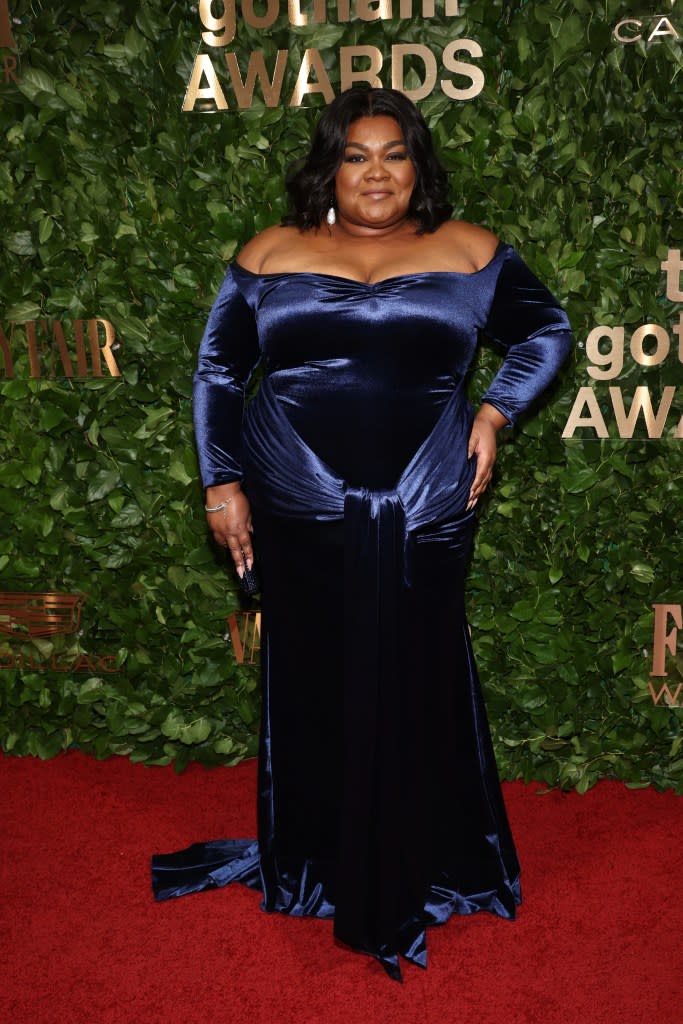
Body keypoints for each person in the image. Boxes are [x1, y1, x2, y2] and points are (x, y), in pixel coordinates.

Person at [152, 87, 572, 980]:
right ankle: (316, 859)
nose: (374, 172)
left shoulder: (471, 249)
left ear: (416, 165)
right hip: (292, 492)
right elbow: (219, 370)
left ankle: (434, 857)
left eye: (392, 153)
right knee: (313, 670)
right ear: (328, 167)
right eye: (355, 154)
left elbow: (544, 329)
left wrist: (494, 413)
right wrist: (220, 481)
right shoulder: (270, 252)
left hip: (426, 495)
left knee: (418, 667)